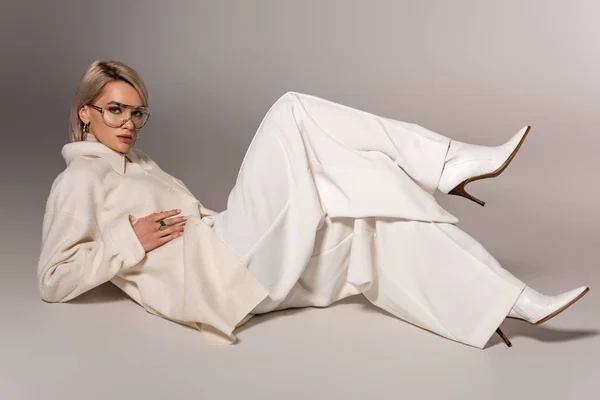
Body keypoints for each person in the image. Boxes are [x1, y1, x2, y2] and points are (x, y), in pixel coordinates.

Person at [37, 60, 589, 349]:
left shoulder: (140, 166)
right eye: (114, 110)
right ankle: (446, 164)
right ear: (86, 112)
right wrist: (128, 240)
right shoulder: (80, 181)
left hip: (236, 271)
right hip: (220, 265)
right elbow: (53, 280)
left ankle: (505, 301)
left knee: (364, 221)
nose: (128, 123)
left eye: (137, 113)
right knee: (292, 110)